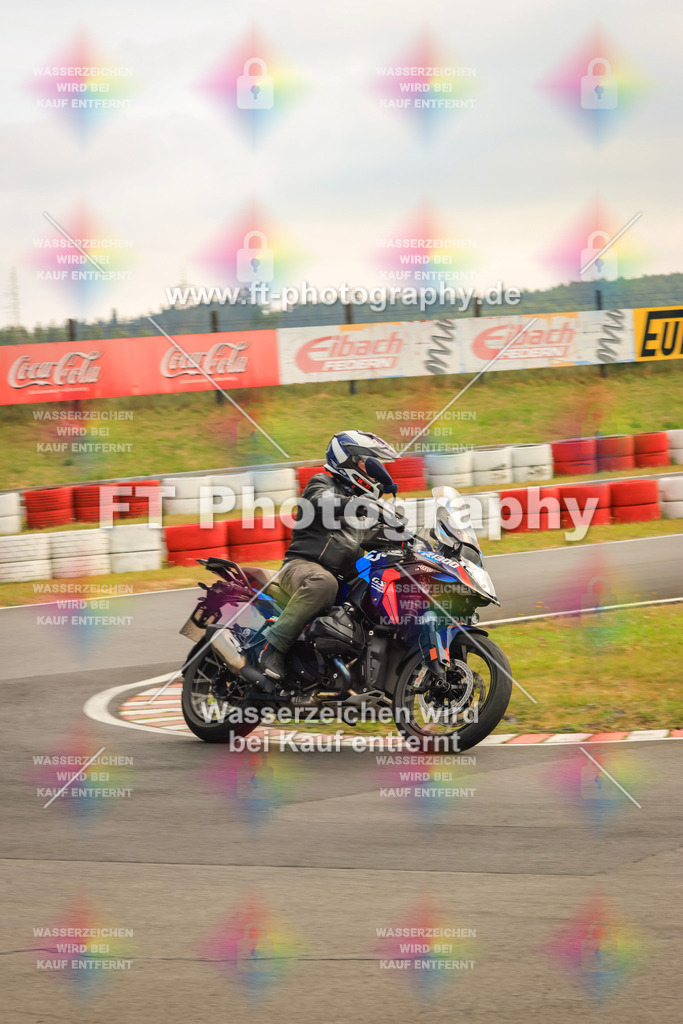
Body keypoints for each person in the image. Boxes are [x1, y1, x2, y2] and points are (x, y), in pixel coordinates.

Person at [259, 430, 400, 681]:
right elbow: (321, 502)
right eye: (363, 463)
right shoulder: (322, 484)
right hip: (302, 567)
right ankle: (273, 648)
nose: (369, 472)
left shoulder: (363, 510)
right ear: (346, 459)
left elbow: (382, 541)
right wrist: (362, 505)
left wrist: (406, 536)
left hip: (342, 581)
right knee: (324, 583)